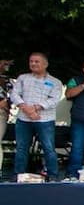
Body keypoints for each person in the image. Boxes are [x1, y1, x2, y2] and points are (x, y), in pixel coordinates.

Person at [9, 52, 63, 181]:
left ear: (45, 64)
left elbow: (54, 99)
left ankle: (53, 176)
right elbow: (14, 95)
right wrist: (26, 108)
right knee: (21, 148)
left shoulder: (55, 82)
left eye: (36, 61)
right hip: (23, 119)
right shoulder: (22, 78)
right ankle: (18, 175)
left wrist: (36, 108)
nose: (33, 64)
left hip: (45, 120)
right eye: (31, 61)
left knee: (48, 148)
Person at [0, 59, 12, 178]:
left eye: (7, 64)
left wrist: (7, 104)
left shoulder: (8, 80)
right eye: (3, 63)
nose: (6, 66)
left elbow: (12, 96)